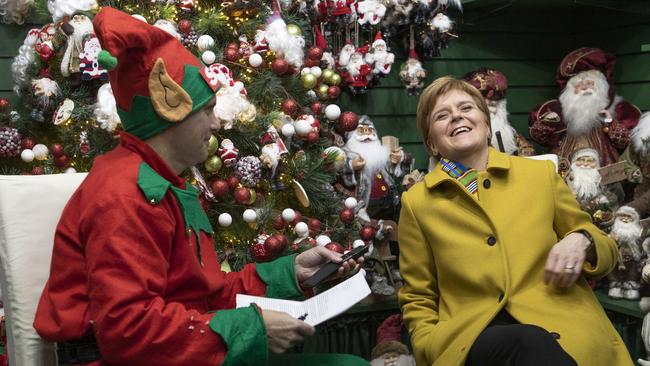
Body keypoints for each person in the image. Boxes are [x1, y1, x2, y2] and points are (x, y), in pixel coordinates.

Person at [33, 7, 366, 366]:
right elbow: (127, 330)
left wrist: (291, 272)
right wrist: (252, 329)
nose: (216, 120)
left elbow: (203, 296)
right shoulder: (125, 195)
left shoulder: (164, 180)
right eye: (206, 109)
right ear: (169, 109)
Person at [398, 76, 632, 366]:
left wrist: (582, 239)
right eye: (442, 115)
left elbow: (607, 252)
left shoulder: (539, 176)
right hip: (472, 336)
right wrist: (428, 344)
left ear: (486, 124)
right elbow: (417, 296)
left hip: (560, 324)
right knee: (527, 342)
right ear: (432, 143)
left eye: (466, 108)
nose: (456, 116)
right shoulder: (417, 202)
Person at [529, 47, 641, 173]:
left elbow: (626, 143)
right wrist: (548, 122)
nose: (584, 89)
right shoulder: (558, 110)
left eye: (589, 84)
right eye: (579, 86)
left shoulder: (619, 109)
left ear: (600, 86)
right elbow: (541, 139)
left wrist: (609, 122)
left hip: (605, 172)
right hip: (565, 171)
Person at [462, 68, 535, 156]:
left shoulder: (512, 133)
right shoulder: (465, 135)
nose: (491, 102)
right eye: (483, 97)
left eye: (497, 98)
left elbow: (528, 152)